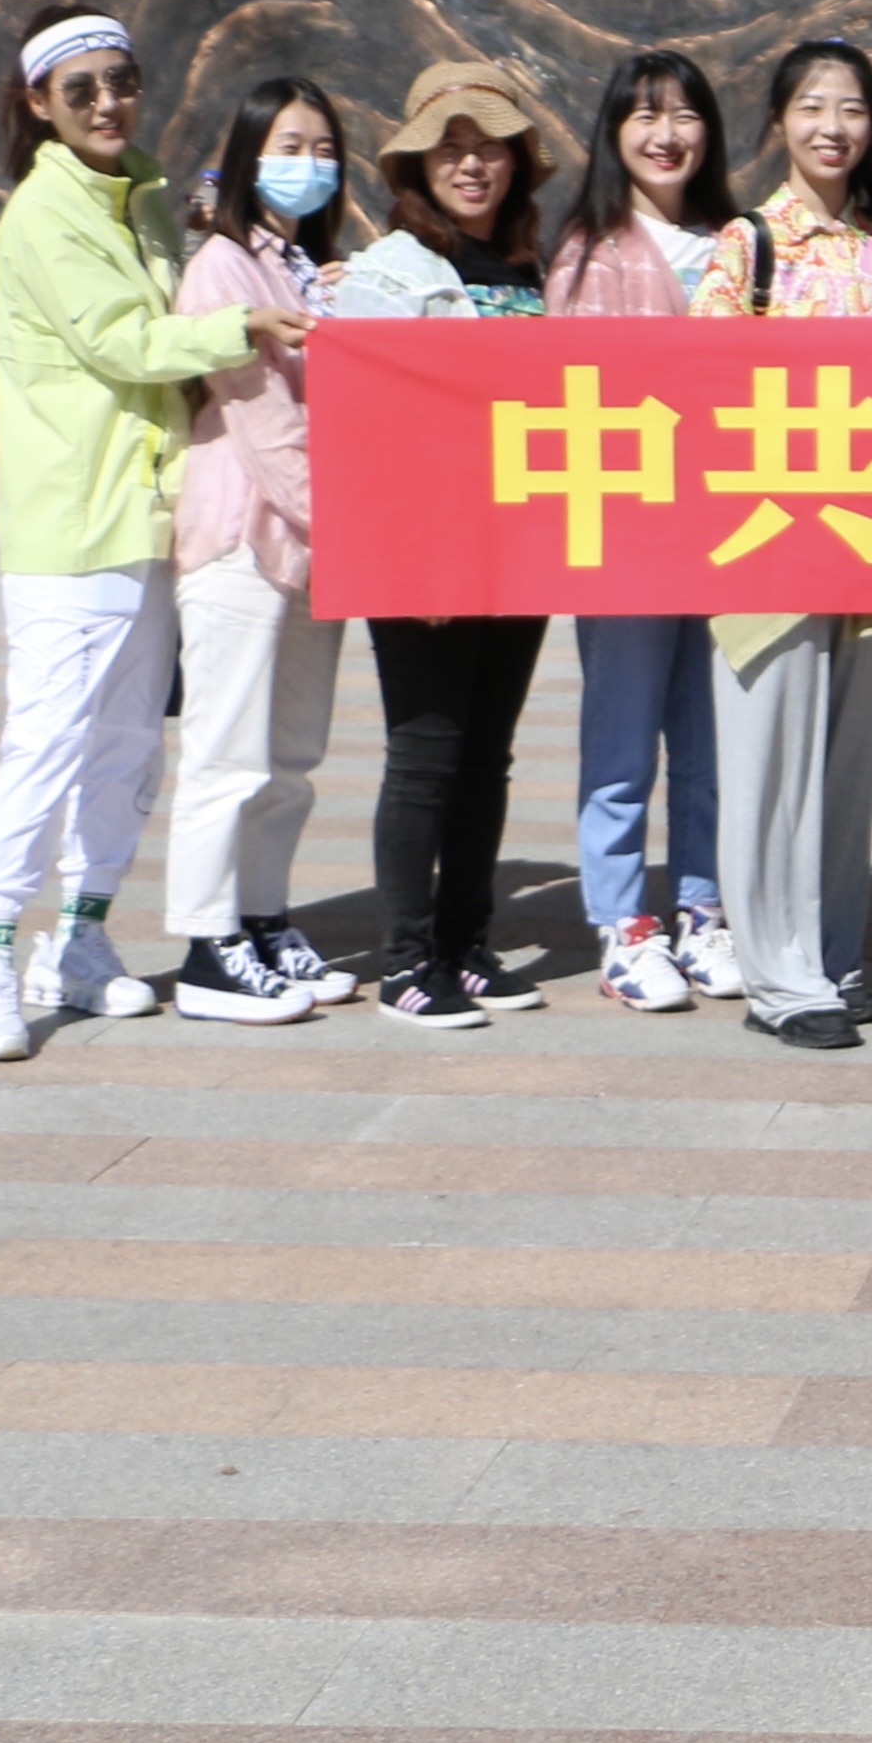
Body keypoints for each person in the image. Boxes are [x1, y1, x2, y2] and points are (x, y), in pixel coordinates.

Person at [0, 9, 306, 1064]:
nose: (107, 103)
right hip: (76, 522)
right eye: (82, 89)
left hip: (154, 514)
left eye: (122, 81)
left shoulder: (144, 195)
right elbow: (126, 341)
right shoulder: (43, 215)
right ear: (38, 104)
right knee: (47, 738)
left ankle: (81, 938)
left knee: (127, 745)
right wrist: (241, 325)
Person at [686, 39, 872, 1053]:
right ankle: (777, 978)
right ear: (780, 120)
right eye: (814, 106)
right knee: (769, 764)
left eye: (852, 107)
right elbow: (698, 387)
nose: (834, 126)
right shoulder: (748, 245)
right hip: (770, 541)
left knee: (848, 767)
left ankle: (831, 952)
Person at [325, 59, 559, 1030]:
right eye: (449, 147)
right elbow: (366, 429)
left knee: (487, 754)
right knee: (425, 755)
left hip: (514, 543)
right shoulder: (387, 276)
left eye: (489, 146)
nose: (471, 164)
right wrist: (408, 556)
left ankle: (467, 943)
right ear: (417, 165)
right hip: (424, 550)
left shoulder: (532, 271)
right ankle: (406, 962)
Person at [542, 50, 751, 1014]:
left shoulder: (739, 243)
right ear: (614, 133)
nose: (666, 135)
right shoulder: (590, 252)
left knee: (709, 740)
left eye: (684, 115)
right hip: (629, 532)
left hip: (733, 526)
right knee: (622, 739)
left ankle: (700, 907)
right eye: (644, 116)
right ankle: (622, 921)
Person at [159, 76, 359, 1025]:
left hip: (315, 547)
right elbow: (266, 422)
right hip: (247, 536)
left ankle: (263, 918)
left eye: (323, 149)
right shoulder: (225, 267)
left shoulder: (309, 269)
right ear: (247, 156)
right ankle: (207, 946)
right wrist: (350, 524)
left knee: (289, 757)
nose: (308, 164)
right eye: (288, 145)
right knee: (227, 753)